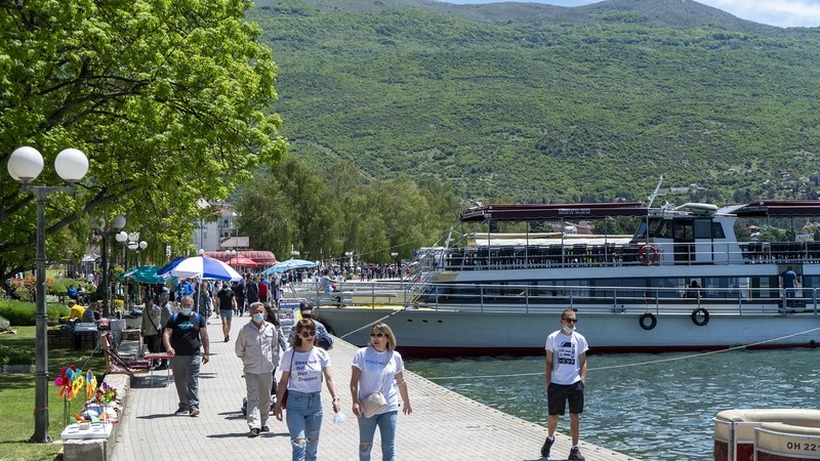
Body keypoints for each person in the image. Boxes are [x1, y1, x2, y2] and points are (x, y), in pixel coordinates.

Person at [275, 318, 342, 461]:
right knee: (299, 445)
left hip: (315, 404)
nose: (310, 336)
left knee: (312, 448)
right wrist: (278, 404)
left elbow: (329, 378)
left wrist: (335, 398)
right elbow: (283, 381)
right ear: (298, 335)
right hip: (295, 404)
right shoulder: (290, 354)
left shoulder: (321, 354)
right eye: (305, 334)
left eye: (312, 333)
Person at [350, 323, 412, 461]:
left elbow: (401, 381)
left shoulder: (395, 356)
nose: (375, 339)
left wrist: (406, 402)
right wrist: (354, 401)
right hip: (367, 407)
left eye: (379, 335)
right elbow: (354, 380)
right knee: (365, 446)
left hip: (389, 406)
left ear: (388, 338)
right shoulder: (362, 354)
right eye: (373, 335)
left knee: (388, 447)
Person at [541, 309, 588, 461]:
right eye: (569, 320)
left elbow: (583, 361)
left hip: (574, 383)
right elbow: (548, 361)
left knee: (574, 416)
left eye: (574, 320)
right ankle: (549, 438)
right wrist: (548, 382)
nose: (572, 323)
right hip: (556, 382)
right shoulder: (553, 338)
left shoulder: (580, 339)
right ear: (561, 321)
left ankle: (574, 449)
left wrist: (582, 379)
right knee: (554, 416)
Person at [163, 295, 209, 417]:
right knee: (179, 381)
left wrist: (206, 353)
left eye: (189, 304)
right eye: (185, 305)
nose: (187, 307)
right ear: (180, 305)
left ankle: (194, 405)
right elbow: (166, 334)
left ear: (193, 305)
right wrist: (168, 347)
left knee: (192, 381)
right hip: (177, 355)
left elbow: (204, 336)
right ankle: (184, 404)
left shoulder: (198, 318)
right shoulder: (174, 318)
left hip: (193, 354)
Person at [235, 302, 277, 437]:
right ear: (251, 314)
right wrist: (246, 360)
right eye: (255, 312)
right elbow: (238, 350)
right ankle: (254, 425)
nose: (258, 314)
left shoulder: (271, 328)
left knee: (265, 398)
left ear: (264, 312)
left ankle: (264, 422)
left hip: (267, 369)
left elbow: (274, 346)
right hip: (251, 370)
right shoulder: (245, 330)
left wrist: (273, 362)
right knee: (253, 397)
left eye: (260, 311)